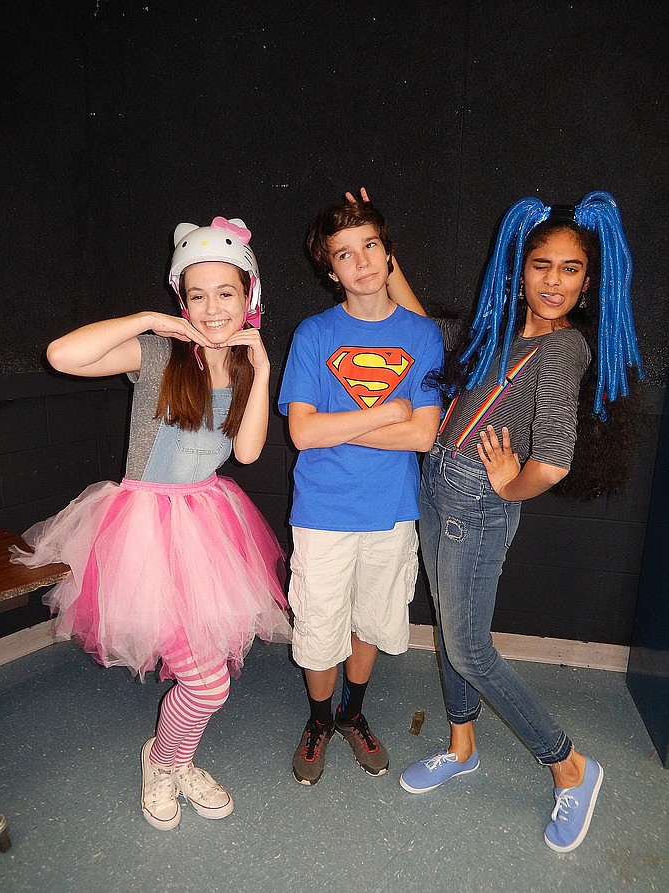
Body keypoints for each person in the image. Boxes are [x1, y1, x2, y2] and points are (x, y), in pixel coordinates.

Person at [11, 216, 292, 831]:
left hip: (208, 526)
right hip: (144, 530)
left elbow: (245, 454)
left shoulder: (244, 368)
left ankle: (174, 757)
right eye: (197, 294)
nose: (213, 308)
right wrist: (146, 320)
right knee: (209, 684)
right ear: (180, 298)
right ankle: (163, 760)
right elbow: (61, 355)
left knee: (206, 671)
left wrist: (263, 367)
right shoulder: (161, 352)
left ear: (251, 296)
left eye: (227, 293)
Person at [390, 191, 644, 852]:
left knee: (471, 647)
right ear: (520, 268)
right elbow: (421, 324)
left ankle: (570, 766)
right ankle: (462, 744)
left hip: (474, 501)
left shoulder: (563, 352)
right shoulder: (501, 327)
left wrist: (510, 484)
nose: (553, 280)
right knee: (451, 631)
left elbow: (554, 460)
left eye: (569, 269)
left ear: (590, 281)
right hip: (435, 486)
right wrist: (380, 254)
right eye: (541, 265)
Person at [278, 197, 444, 785]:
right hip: (322, 512)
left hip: (391, 513)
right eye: (344, 254)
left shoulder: (422, 336)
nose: (361, 261)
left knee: (371, 622)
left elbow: (424, 436)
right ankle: (319, 718)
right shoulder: (314, 333)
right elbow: (302, 431)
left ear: (387, 250)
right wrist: (386, 414)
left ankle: (353, 712)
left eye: (370, 246)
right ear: (331, 270)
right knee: (320, 624)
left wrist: (347, 424)